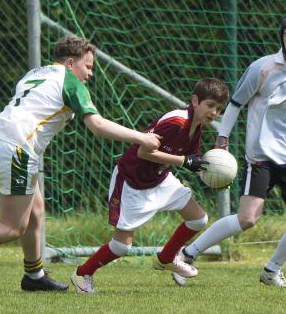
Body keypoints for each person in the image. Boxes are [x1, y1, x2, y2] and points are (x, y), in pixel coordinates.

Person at [0, 35, 161, 292]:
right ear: (71, 63)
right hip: (16, 149)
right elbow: (97, 125)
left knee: (36, 209)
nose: (90, 74)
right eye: (88, 66)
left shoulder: (36, 73)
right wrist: (141, 138)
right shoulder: (70, 82)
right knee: (13, 226)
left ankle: (34, 275)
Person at [179, 12, 286, 287]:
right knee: (247, 219)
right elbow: (235, 103)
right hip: (260, 157)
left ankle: (271, 270)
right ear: (281, 36)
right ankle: (187, 255)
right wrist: (222, 137)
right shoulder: (262, 68)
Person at [69, 78, 229, 294]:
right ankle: (82, 273)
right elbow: (143, 151)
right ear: (194, 101)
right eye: (210, 105)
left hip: (160, 178)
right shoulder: (176, 122)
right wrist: (183, 162)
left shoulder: (196, 126)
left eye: (219, 109)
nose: (214, 112)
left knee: (198, 219)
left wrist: (214, 174)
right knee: (121, 246)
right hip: (131, 180)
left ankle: (165, 259)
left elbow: (192, 158)